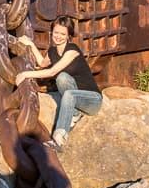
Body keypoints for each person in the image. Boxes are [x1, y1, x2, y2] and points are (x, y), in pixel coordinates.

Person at [15, 16, 102, 147]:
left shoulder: (72, 50)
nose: (58, 36)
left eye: (63, 34)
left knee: (67, 92)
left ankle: (59, 138)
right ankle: (75, 113)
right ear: (52, 32)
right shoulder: (52, 51)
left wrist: (26, 74)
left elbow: (51, 72)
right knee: (62, 77)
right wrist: (31, 44)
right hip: (75, 96)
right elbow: (42, 63)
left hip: (92, 99)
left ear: (68, 36)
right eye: (56, 32)